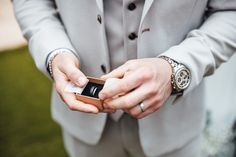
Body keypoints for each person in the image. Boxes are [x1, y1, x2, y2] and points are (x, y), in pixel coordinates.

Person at [13, 0, 236, 157]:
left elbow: (230, 11)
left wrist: (175, 69)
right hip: (84, 118)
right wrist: (54, 51)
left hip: (174, 119)